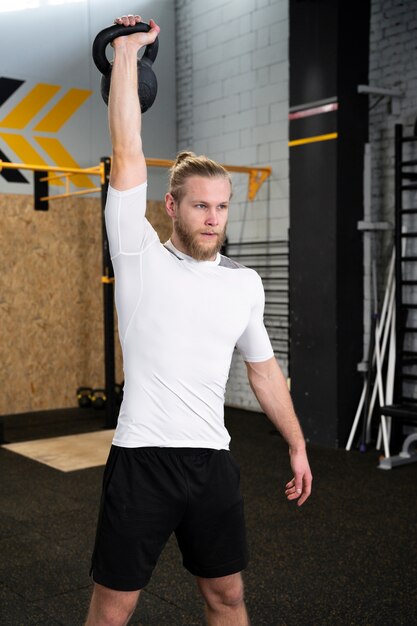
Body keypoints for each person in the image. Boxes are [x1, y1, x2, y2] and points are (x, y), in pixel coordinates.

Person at [85, 13, 312, 626]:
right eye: (200, 205)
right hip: (143, 460)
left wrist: (296, 444)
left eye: (221, 206)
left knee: (228, 597)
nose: (213, 217)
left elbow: (264, 373)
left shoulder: (244, 284)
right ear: (172, 206)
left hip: (212, 462)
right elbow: (127, 151)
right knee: (113, 609)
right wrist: (128, 53)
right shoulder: (137, 256)